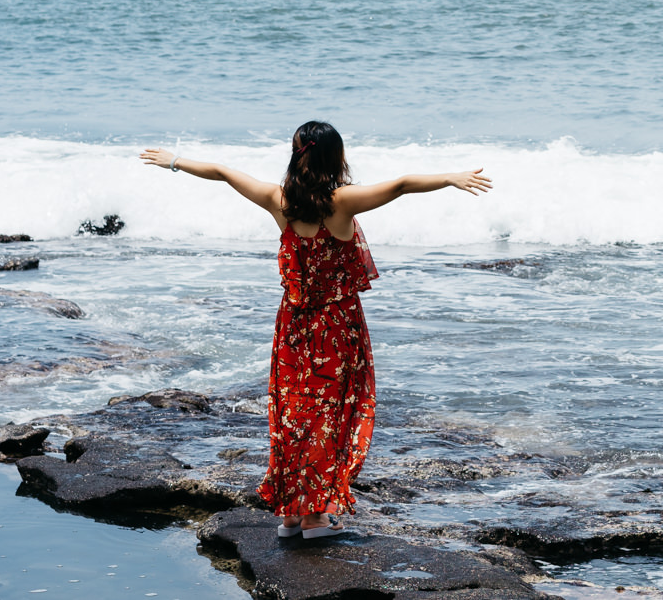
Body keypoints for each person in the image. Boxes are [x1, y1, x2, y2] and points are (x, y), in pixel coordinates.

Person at [140, 122, 490, 538]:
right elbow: (400, 185)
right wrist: (450, 177)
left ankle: (290, 514)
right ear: (335, 157)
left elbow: (222, 172)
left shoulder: (278, 200)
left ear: (296, 154)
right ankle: (315, 517)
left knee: (293, 415)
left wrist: (174, 161)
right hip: (336, 327)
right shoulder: (340, 202)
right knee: (332, 416)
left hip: (292, 325)